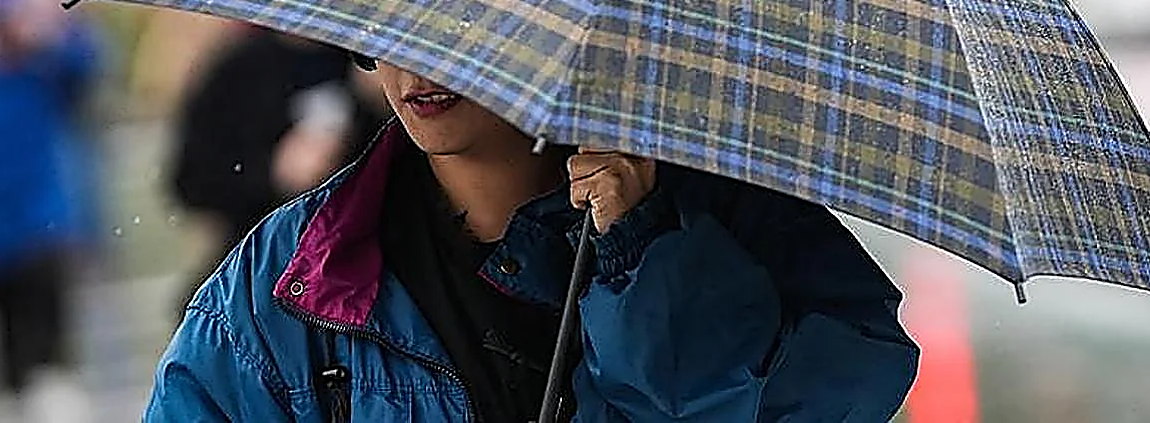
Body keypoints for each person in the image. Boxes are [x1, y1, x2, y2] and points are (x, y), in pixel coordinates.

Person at [145, 57, 919, 422]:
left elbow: (834, 391)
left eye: (455, 7)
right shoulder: (285, 280)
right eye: (392, 18)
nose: (416, 58)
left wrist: (647, 258)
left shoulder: (725, 218)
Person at [0, 0, 104, 423]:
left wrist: (58, 21)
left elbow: (88, 63)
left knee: (48, 343)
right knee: (7, 345)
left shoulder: (46, 71)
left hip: (42, 224)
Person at [167, 26, 388, 314]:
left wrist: (379, 104)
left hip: (363, 265)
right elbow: (191, 180)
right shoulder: (239, 70)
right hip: (264, 267)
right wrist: (273, 171)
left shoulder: (366, 65)